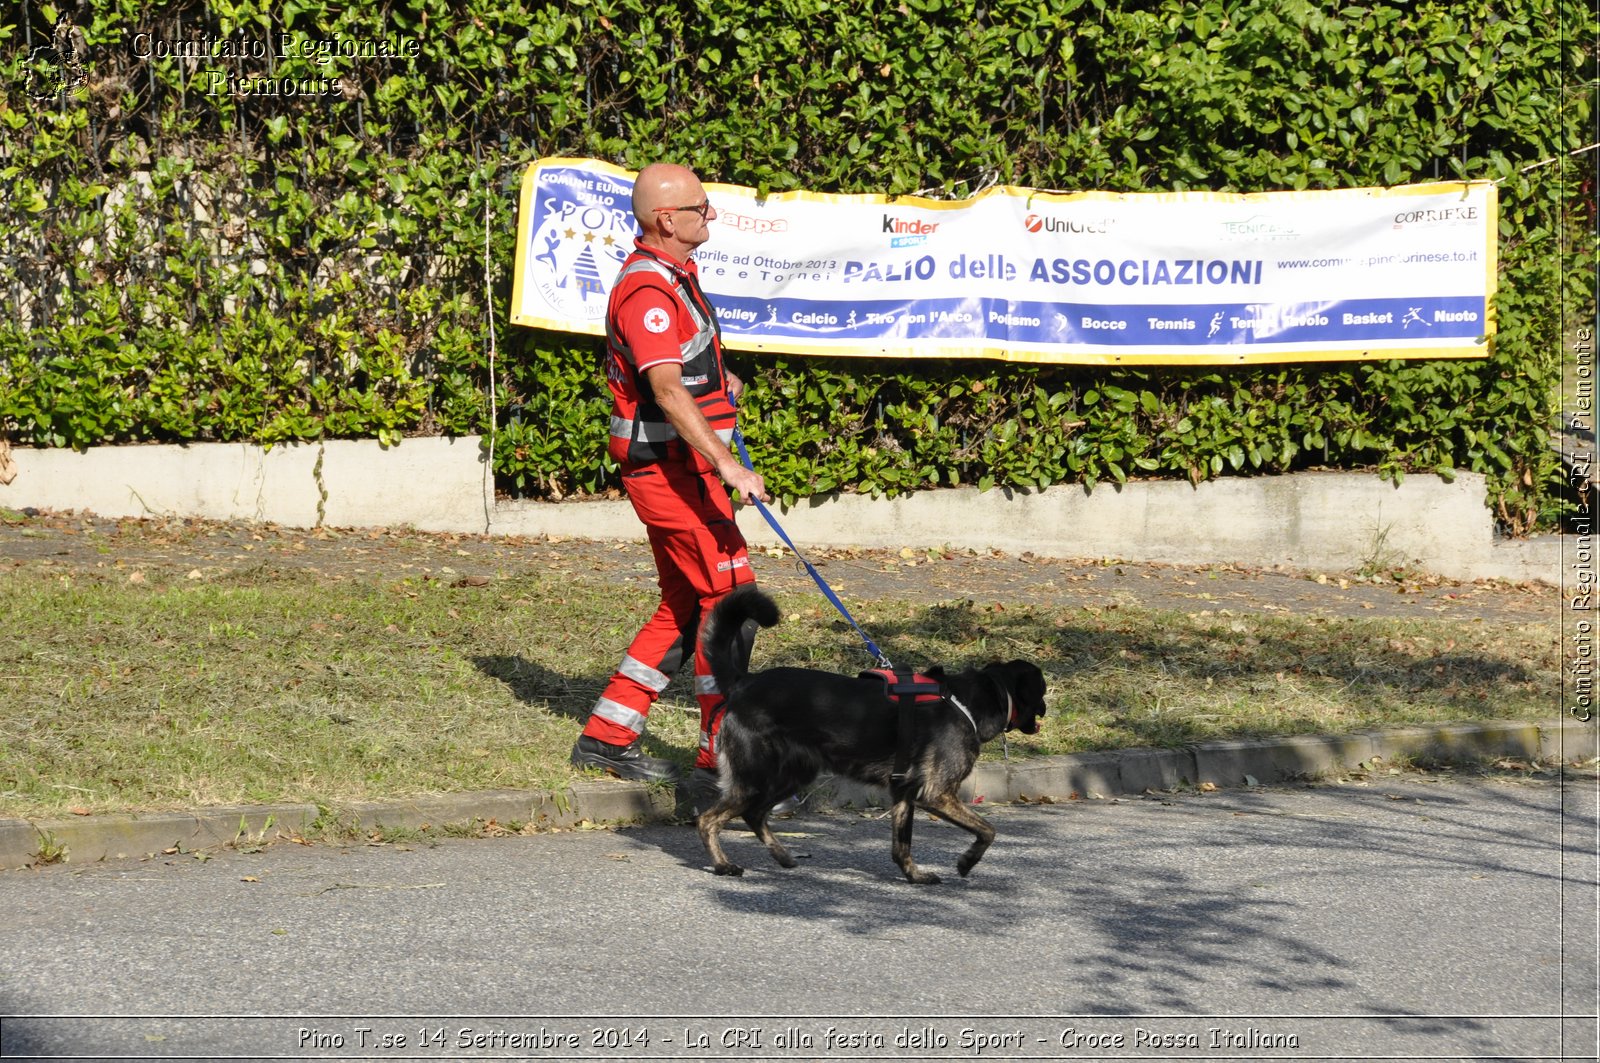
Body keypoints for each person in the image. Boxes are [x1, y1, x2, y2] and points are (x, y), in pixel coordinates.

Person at [570, 162, 770, 804]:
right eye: (701, 208)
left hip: (681, 469)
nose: (709, 216)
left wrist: (721, 379)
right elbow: (662, 388)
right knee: (731, 606)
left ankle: (606, 737)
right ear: (667, 219)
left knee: (687, 608)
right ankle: (723, 766)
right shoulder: (647, 290)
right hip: (672, 472)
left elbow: (682, 370)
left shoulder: (674, 278)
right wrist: (727, 463)